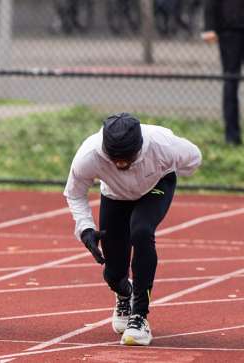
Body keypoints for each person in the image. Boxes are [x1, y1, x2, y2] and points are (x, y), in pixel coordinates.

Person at [64, 113, 201, 346]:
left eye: (126, 158)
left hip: (155, 187)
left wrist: (171, 170)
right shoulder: (89, 154)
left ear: (139, 147)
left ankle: (139, 316)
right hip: (114, 195)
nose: (120, 164)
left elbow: (194, 159)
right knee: (113, 273)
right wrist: (86, 229)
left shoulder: (163, 144)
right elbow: (75, 193)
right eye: (114, 158)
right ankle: (123, 295)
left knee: (141, 231)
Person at [202, 0, 244, 145]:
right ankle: (232, 137)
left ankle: (232, 137)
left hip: (230, 26)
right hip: (229, 29)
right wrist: (209, 28)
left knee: (230, 82)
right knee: (230, 81)